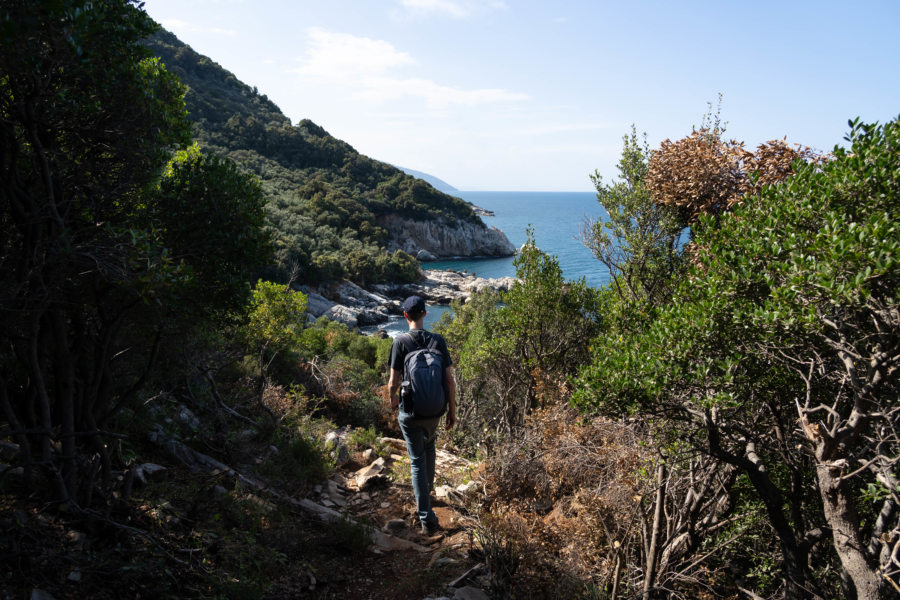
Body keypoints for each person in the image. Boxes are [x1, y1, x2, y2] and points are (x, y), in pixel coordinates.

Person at [388, 295, 457, 536]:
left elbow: (392, 382)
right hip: (435, 410)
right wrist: (452, 411)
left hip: (410, 411)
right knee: (429, 448)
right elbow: (449, 380)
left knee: (416, 459)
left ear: (405, 316)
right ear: (425, 314)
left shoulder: (400, 342)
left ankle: (426, 517)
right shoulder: (438, 341)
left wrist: (392, 400)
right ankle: (427, 494)